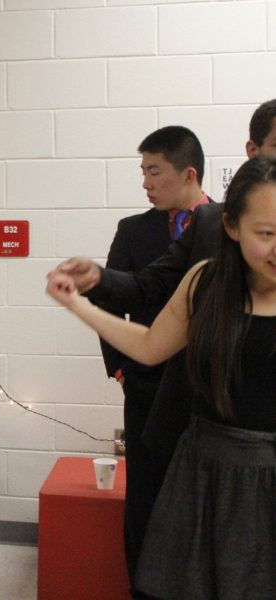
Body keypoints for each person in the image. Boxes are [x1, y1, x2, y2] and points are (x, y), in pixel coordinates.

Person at [47, 154, 276, 599]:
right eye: (266, 234)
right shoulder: (205, 282)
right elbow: (151, 345)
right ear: (232, 227)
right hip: (207, 469)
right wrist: (79, 305)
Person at [51, 99, 276, 465]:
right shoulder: (206, 261)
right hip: (202, 434)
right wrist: (87, 292)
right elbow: (145, 298)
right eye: (265, 232)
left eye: (154, 172)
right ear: (233, 227)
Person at [97, 125, 211, 590]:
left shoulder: (228, 225)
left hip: (208, 392)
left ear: (187, 174)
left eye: (154, 172)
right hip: (146, 385)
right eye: (142, 171)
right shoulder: (133, 230)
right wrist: (123, 368)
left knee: (200, 502)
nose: (145, 183)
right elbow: (108, 297)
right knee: (144, 499)